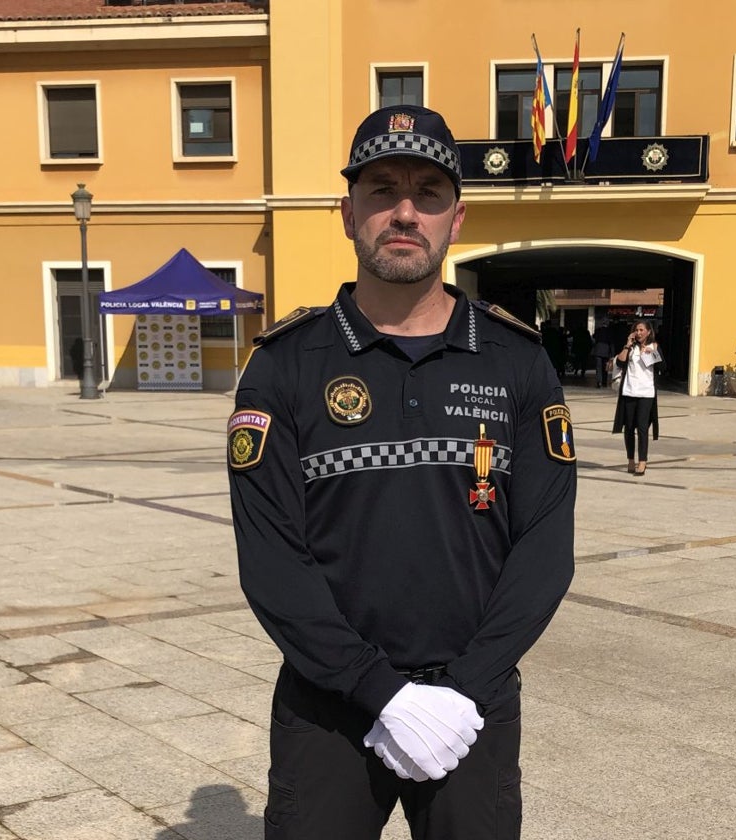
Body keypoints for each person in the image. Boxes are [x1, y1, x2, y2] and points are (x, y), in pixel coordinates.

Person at [227, 103, 577, 840]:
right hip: (328, 707)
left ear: (458, 218)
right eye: (382, 190)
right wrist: (378, 691)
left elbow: (544, 549)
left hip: (471, 704)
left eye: (429, 193)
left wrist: (465, 689)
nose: (405, 212)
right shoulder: (284, 365)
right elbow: (272, 561)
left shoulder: (518, 361)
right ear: (347, 211)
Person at [612, 319, 664, 476]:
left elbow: (663, 367)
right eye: (636, 330)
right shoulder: (631, 348)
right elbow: (620, 363)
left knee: (642, 428)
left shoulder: (654, 346)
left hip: (646, 393)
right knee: (628, 428)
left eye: (642, 330)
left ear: (648, 332)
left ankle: (643, 461)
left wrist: (653, 354)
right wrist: (627, 345)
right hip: (629, 391)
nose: (639, 333)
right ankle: (630, 460)